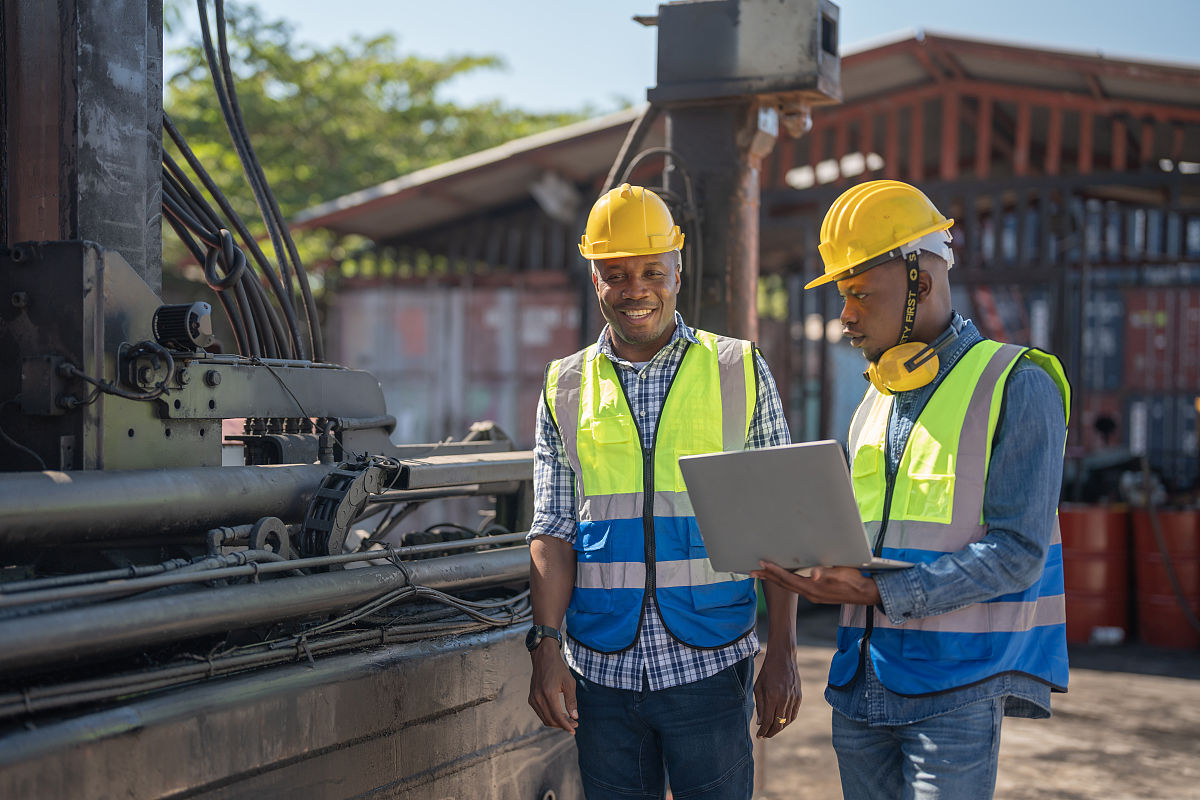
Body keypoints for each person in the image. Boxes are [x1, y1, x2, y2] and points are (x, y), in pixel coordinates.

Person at [752, 179, 1070, 800]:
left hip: (954, 688)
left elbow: (1018, 552)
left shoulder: (1016, 382)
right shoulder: (875, 400)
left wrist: (877, 590)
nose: (845, 316)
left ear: (920, 283)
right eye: (842, 296)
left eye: (860, 294)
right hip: (859, 682)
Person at [526, 183, 802, 799]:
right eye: (617, 274)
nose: (636, 289)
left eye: (652, 271)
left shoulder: (738, 369)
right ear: (595, 278)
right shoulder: (563, 385)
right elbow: (552, 525)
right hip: (601, 668)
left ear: (678, 272)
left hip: (711, 662)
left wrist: (783, 651)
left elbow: (779, 522)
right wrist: (545, 646)